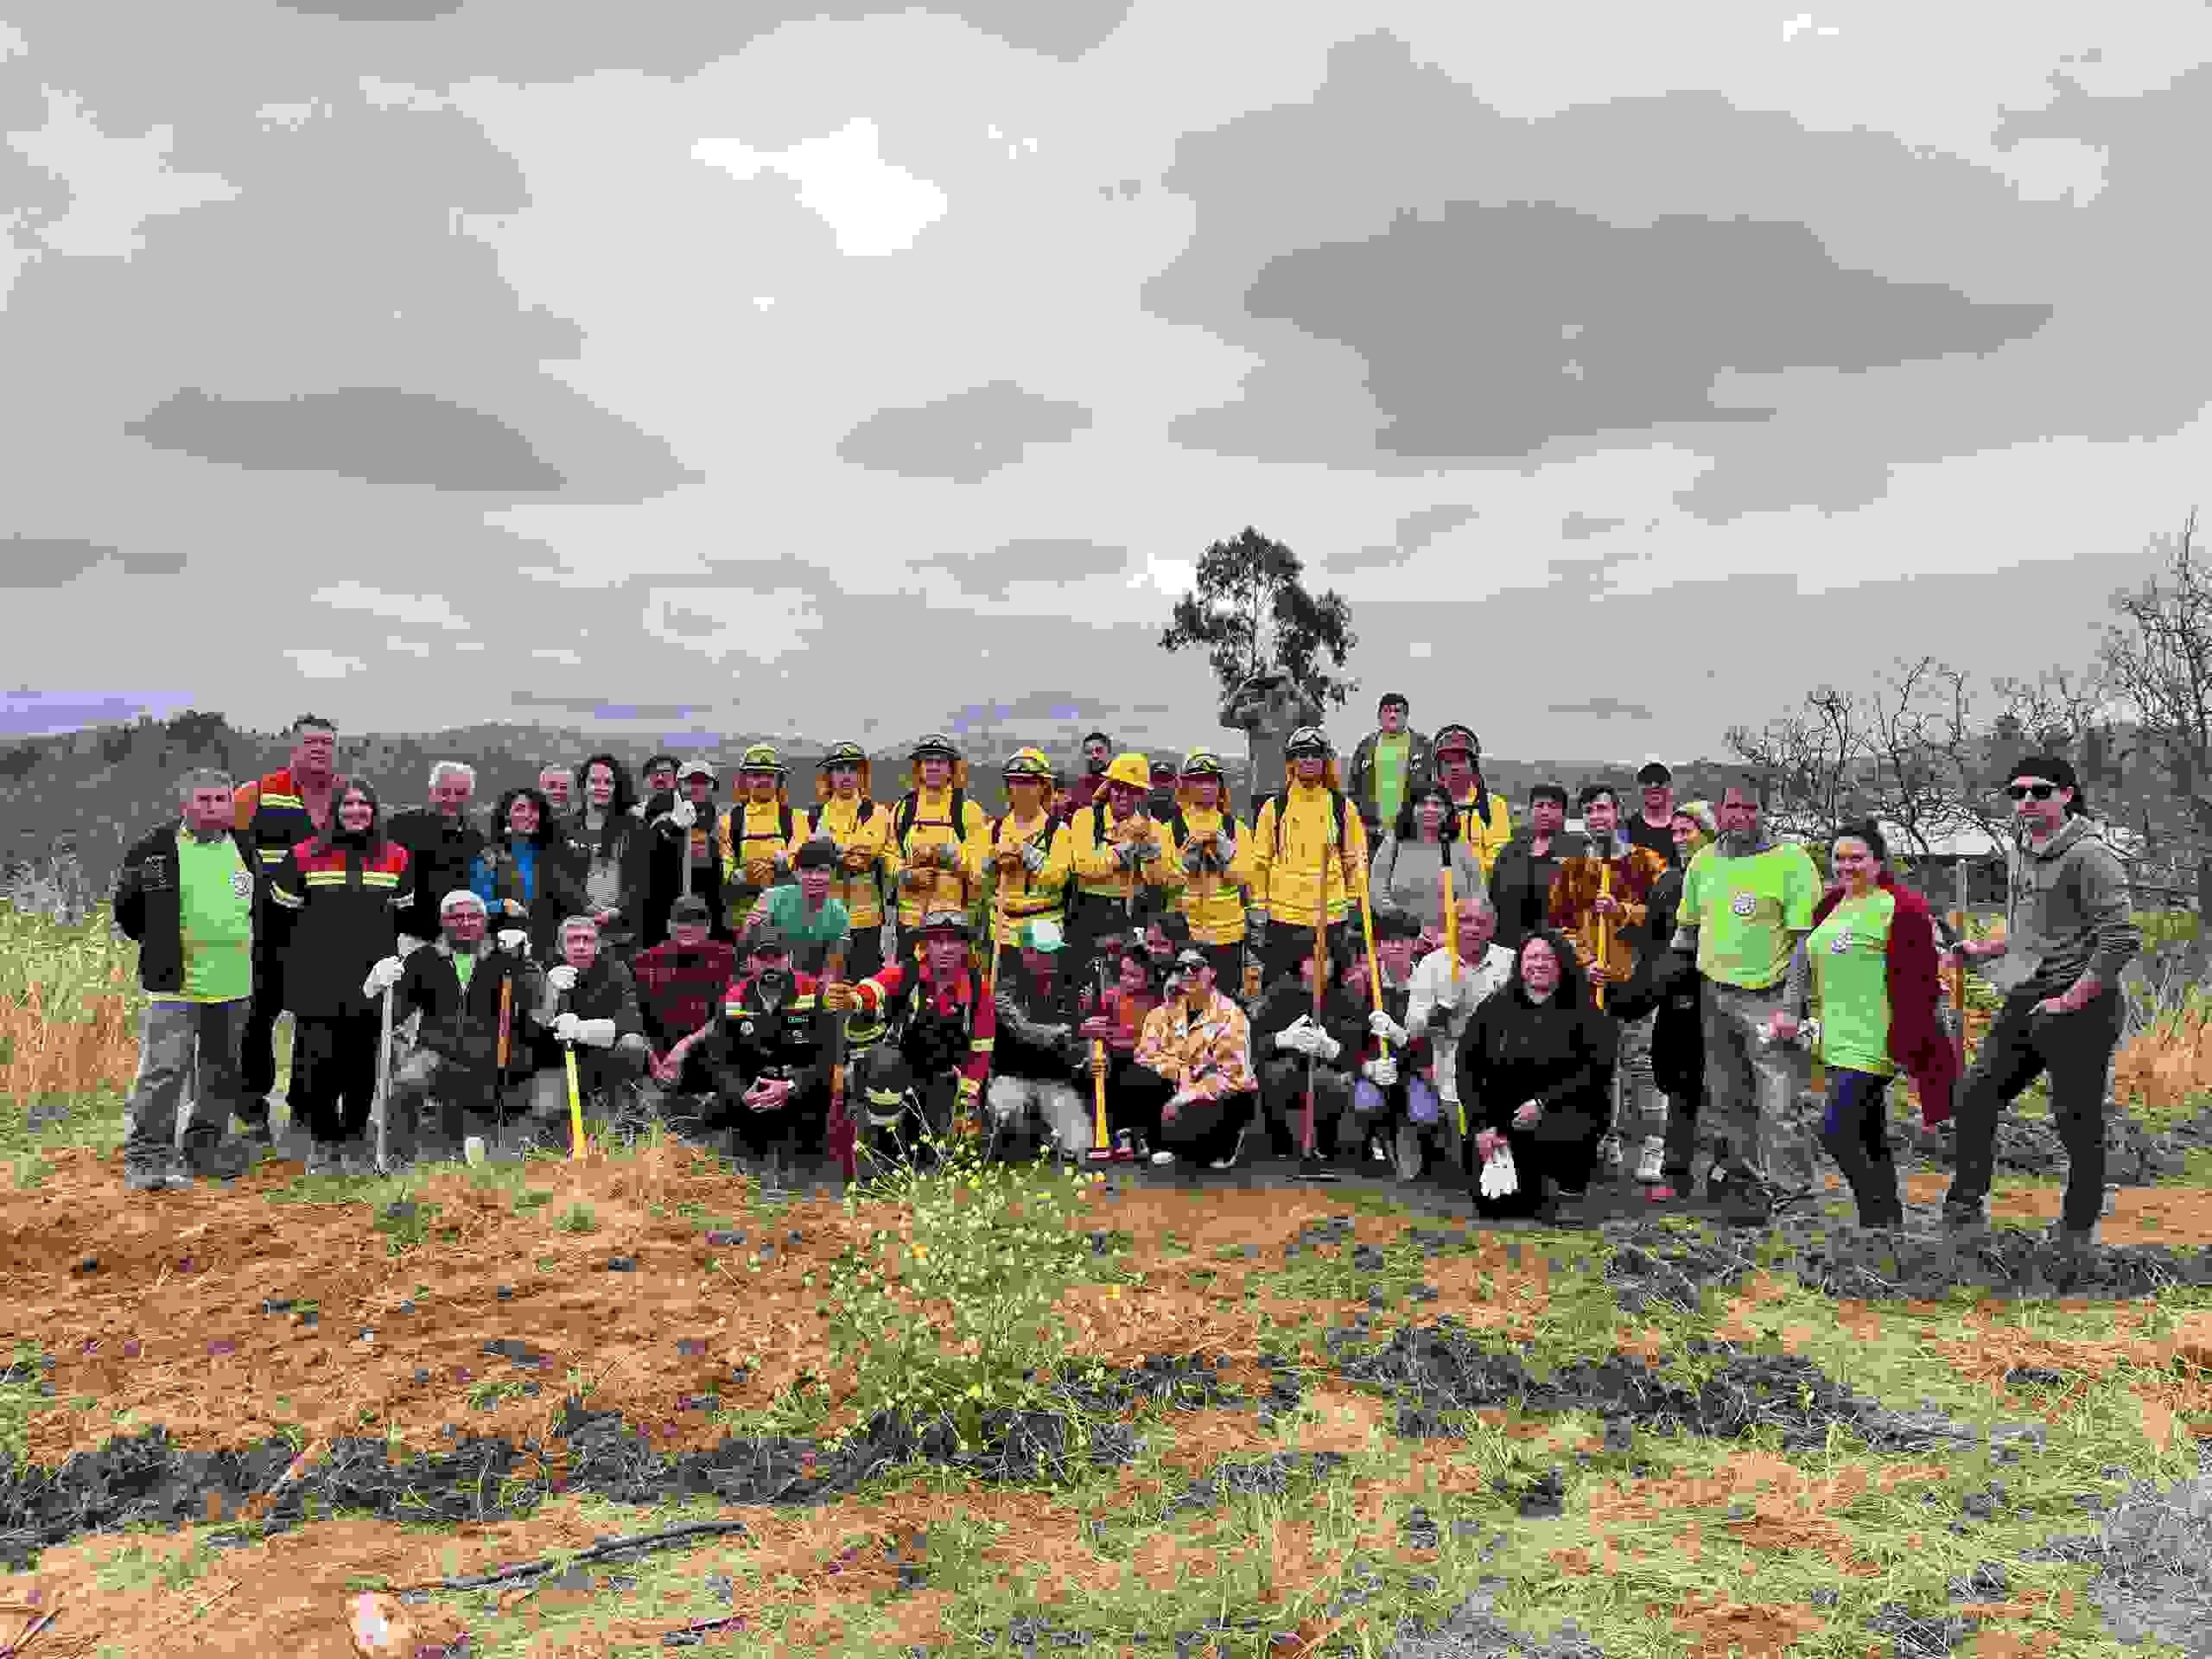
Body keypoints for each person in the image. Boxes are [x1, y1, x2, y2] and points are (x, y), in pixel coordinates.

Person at [1944, 755, 2141, 1249]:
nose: (2027, 800)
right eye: (2018, 792)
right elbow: (2030, 934)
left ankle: (2076, 1233)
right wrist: (1984, 949)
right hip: (2028, 994)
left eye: (2040, 791)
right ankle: (1964, 1212)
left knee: (2076, 1119)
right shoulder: (2021, 848)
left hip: (2083, 1004)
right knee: (1974, 1095)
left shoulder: (2091, 856)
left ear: (2067, 795)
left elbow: (2120, 939)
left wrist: (2072, 999)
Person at [1771, 820, 1957, 1230]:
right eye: (1839, 858)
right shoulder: (1831, 904)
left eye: (1857, 858)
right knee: (1870, 1136)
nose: (1846, 866)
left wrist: (1915, 1043)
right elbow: (1806, 958)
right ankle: (1886, 1228)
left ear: (1878, 861)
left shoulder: (1901, 907)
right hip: (1836, 1036)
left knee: (1836, 1131)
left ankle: (1877, 1218)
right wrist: (1794, 1010)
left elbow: (1921, 981)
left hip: (1878, 1038)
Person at [1667, 778, 1825, 1223]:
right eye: (1732, 808)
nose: (1740, 816)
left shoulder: (1791, 861)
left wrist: (1792, 1005)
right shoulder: (1703, 862)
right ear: (1719, 812)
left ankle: (1794, 1193)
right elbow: (1686, 931)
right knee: (1728, 1098)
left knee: (1778, 1102)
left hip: (1769, 998)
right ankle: (1749, 1186)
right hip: (1714, 995)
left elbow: (1804, 942)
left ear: (1765, 813)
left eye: (1750, 808)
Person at [113, 768, 264, 1191]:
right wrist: (160, 943)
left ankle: (204, 1150)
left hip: (233, 983)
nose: (213, 807)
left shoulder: (244, 847)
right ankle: (147, 1158)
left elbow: (256, 909)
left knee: (221, 1072)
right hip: (174, 984)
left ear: (231, 803)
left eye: (221, 799)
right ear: (185, 803)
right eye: (204, 799)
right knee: (163, 1072)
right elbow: (128, 910)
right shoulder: (154, 849)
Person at [267, 779, 410, 1176]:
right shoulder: (304, 854)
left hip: (372, 978)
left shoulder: (396, 857)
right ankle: (323, 1141)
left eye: (364, 803)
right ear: (334, 810)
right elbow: (280, 922)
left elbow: (404, 918)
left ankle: (354, 1140)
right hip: (318, 978)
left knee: (361, 1066)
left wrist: (393, 965)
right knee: (317, 1065)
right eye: (348, 803)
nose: (356, 810)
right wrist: (291, 973)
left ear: (374, 811)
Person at [1548, 784, 1671, 1182]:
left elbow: (1665, 915)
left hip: (1636, 980)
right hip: (1593, 982)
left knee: (1642, 1063)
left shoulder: (1646, 862)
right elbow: (1562, 926)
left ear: (1617, 812)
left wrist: (1623, 910)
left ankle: (1654, 1145)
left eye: (1602, 808)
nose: (1596, 816)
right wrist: (1585, 963)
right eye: (1589, 811)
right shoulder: (1572, 869)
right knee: (1602, 1064)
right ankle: (1609, 1137)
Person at [232, 715, 346, 1147]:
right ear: (293, 748)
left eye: (326, 743)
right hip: (265, 926)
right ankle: (251, 1109)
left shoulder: (346, 795)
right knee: (258, 1017)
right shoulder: (256, 793)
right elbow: (229, 853)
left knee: (315, 1020)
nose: (319, 749)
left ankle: (303, 1107)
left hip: (323, 930)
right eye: (311, 742)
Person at [1459, 928, 1617, 1224]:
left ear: (1562, 964)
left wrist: (1543, 1103)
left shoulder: (1586, 1012)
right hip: (1504, 1118)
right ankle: (1534, 1186)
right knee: (1495, 1208)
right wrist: (1482, 1125)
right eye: (1532, 957)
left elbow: (1595, 1073)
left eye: (1548, 958)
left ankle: (1570, 1187)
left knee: (1576, 1122)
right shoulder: (1494, 1007)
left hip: (1562, 1113)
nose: (1539, 964)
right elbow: (1469, 1068)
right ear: (1520, 963)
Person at [374, 890, 538, 1166]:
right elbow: (394, 1012)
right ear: (443, 922)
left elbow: (536, 1003)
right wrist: (381, 987)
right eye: (456, 917)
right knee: (409, 1077)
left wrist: (524, 960)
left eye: (473, 916)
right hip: (436, 1055)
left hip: (491, 1059)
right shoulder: (424, 959)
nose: (465, 922)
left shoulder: (503, 958)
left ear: (485, 922)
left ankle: (482, 1140)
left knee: (476, 1148)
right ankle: (399, 1157)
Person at [823, 908, 997, 1169]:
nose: (946, 949)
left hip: (944, 1081)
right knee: (884, 1065)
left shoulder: (977, 988)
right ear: (925, 945)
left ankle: (921, 1146)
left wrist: (967, 1102)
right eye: (937, 941)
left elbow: (980, 1052)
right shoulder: (907, 973)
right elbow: (874, 988)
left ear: (965, 946)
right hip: (899, 1072)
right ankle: (882, 1149)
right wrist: (852, 999)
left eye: (954, 941)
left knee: (940, 1154)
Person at [690, 924, 827, 1180]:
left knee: (803, 1172)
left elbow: (828, 1057)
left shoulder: (813, 992)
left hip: (799, 1090)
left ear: (790, 959)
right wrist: (742, 1093)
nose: (771, 965)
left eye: (778, 957)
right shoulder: (733, 999)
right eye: (763, 958)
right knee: (714, 1098)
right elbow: (718, 1060)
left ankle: (802, 1159)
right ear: (750, 961)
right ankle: (731, 1149)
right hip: (752, 1091)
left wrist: (791, 1086)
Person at [1405, 892, 1517, 1182]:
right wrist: (1443, 1008)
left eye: (1479, 922)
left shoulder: (1511, 962)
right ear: (1452, 925)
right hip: (1451, 1060)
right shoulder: (1432, 965)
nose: (1471, 928)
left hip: (1505, 1058)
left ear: (1492, 927)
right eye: (1464, 920)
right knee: (1466, 1139)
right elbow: (1414, 1029)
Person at [1248, 728, 1370, 988]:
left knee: (1332, 995)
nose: (1308, 760)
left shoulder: (1343, 808)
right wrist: (1258, 907)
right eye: (1301, 754)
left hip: (1331, 920)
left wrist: (1354, 904)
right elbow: (1260, 863)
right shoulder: (1274, 808)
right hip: (1284, 920)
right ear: (1291, 761)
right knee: (1279, 995)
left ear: (1325, 760)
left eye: (1316, 754)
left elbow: (1355, 861)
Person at [521, 915, 652, 1151]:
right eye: (573, 940)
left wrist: (581, 1029)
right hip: (557, 1062)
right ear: (560, 948)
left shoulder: (616, 970)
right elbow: (528, 1033)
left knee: (632, 1044)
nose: (581, 946)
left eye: (588, 940)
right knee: (551, 1128)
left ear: (598, 946)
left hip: (604, 1060)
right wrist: (549, 993)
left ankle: (625, 1112)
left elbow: (631, 1021)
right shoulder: (541, 971)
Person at [1124, 946, 1261, 1170]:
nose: (1187, 972)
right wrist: (1180, 1072)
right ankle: (1164, 1142)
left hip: (1223, 1095)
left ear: (1212, 972)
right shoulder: (1162, 1013)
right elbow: (1144, 1056)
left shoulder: (1231, 1016)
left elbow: (1233, 1078)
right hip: (1179, 1086)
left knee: (1201, 1151)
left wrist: (1184, 1097)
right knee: (1133, 1077)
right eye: (1181, 968)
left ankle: (1227, 1139)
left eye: (1195, 966)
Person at [1249, 938, 1367, 1162]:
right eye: (1313, 958)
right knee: (1274, 1073)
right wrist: (1281, 1039)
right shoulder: (1279, 994)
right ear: (1301, 963)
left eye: (1326, 957)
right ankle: (1279, 1139)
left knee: (1332, 1082)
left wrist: (1332, 1048)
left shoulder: (1344, 998)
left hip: (1328, 1070)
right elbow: (1255, 1042)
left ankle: (1326, 1142)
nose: (1320, 963)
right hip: (1286, 1068)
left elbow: (1355, 1049)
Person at [986, 918, 1092, 1161]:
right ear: (1025, 953)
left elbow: (1081, 1038)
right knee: (1007, 1111)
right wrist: (1063, 1032)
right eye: (1043, 952)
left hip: (1055, 1082)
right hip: (1013, 1079)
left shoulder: (1071, 989)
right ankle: (1030, 1132)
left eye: (1055, 952)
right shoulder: (1002, 990)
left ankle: (1046, 1131)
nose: (1051, 958)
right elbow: (1022, 1029)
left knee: (1080, 1146)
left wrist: (1089, 1055)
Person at [1067, 752, 1173, 991]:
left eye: (1132, 790)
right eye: (1118, 787)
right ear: (1109, 787)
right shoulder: (1086, 819)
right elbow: (1084, 867)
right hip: (1088, 915)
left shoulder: (1155, 829)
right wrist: (1124, 850)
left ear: (1141, 794)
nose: (1123, 794)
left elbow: (1160, 880)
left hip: (1131, 915)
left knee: (1128, 987)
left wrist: (1150, 854)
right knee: (1087, 990)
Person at [633, 894, 741, 1130]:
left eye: (697, 922)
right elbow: (635, 1015)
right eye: (681, 921)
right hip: (659, 1054)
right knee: (630, 1045)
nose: (688, 928)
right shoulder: (645, 961)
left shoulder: (727, 957)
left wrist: (685, 1046)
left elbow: (727, 1014)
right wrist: (653, 1059)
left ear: (708, 927)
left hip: (705, 1047)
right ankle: (640, 1109)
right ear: (669, 926)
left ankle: (716, 1104)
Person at [887, 735, 988, 966]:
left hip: (951, 923)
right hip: (910, 921)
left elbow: (979, 868)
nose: (933, 767)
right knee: (908, 982)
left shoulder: (968, 811)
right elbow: (890, 854)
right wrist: (906, 875)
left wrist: (950, 858)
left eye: (940, 762)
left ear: (951, 769)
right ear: (919, 768)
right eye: (928, 761)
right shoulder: (903, 809)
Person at [1348, 909, 1435, 1173]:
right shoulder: (1363, 984)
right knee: (1366, 1102)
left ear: (1415, 944)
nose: (1396, 946)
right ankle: (1376, 1138)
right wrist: (1367, 1067)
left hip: (1416, 1069)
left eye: (1403, 939)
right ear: (1377, 947)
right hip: (1377, 1069)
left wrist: (1401, 1037)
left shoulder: (1430, 982)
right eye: (1389, 940)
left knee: (1425, 1114)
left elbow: (1431, 1042)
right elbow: (1350, 1039)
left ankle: (1426, 1149)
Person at [1160, 749, 1255, 993]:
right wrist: (1186, 863)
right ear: (1186, 785)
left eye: (1212, 780)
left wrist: (1226, 857)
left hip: (1228, 935)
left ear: (1220, 786)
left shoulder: (1236, 829)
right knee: (1186, 1001)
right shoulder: (1171, 829)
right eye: (1199, 780)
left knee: (1226, 1001)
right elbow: (1165, 882)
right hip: (1186, 933)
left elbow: (1245, 877)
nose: (1206, 787)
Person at [806, 741, 896, 983]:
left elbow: (881, 851)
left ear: (862, 775)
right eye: (839, 769)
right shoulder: (814, 816)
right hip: (824, 917)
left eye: (852, 769)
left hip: (868, 921)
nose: (846, 776)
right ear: (829, 776)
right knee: (825, 984)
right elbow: (805, 858)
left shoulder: (879, 813)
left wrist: (834, 850)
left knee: (864, 986)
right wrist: (850, 852)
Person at [982, 748, 1074, 976]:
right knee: (1003, 995)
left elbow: (1058, 878)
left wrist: (1024, 851)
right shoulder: (993, 830)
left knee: (1041, 994)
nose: (1022, 788)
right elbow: (977, 879)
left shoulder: (1058, 831)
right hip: (1002, 932)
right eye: (1016, 782)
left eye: (1030, 782)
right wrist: (993, 860)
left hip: (1044, 931)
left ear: (1043, 786)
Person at [472, 785, 591, 961]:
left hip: (548, 950)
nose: (528, 815)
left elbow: (573, 901)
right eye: (520, 809)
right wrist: (503, 905)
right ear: (506, 815)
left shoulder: (554, 854)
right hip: (503, 949)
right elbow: (476, 908)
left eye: (534, 810)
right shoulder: (489, 856)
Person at [1080, 949, 1172, 1157]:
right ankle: (1112, 1136)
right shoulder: (1112, 996)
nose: (1125, 980)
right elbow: (1092, 1028)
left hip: (1144, 1060)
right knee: (1095, 1075)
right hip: (1115, 1059)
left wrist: (1113, 1035)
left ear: (1149, 978)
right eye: (1123, 973)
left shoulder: (1157, 1001)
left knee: (1142, 1081)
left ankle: (1144, 1139)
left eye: (1133, 975)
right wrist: (1088, 1011)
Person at [389, 762, 486, 956]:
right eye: (445, 792)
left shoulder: (475, 838)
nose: (452, 799)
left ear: (470, 796)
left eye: (460, 793)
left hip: (458, 940)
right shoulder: (399, 826)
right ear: (431, 792)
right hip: (409, 938)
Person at [1369, 779, 1486, 935]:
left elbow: (1479, 894)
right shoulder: (1394, 843)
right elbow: (1377, 891)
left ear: (1448, 810)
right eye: (1423, 803)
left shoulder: (1462, 847)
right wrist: (1405, 923)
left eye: (1437, 804)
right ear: (1411, 808)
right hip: (1402, 937)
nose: (1430, 809)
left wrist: (1460, 928)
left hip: (1452, 938)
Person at [563, 754, 650, 963]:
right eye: (594, 781)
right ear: (583, 785)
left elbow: (644, 877)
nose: (601, 787)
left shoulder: (636, 828)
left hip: (624, 933)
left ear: (616, 787)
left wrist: (619, 909)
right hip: (576, 932)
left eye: (608, 782)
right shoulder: (563, 827)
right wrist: (584, 905)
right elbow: (558, 876)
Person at [640, 759, 730, 949]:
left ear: (712, 787)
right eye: (690, 782)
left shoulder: (716, 817)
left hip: (703, 907)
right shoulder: (660, 806)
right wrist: (673, 825)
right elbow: (647, 845)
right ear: (679, 784)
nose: (696, 787)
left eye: (703, 782)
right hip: (663, 907)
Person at [1487, 784, 1584, 956]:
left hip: (1554, 947)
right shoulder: (1510, 850)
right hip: (1508, 943)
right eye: (1539, 806)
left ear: (1564, 813)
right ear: (1530, 810)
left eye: (1552, 806)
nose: (1545, 812)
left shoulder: (1576, 850)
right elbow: (1494, 896)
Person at [719, 745, 804, 934]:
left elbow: (803, 861)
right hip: (741, 923)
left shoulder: (796, 818)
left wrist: (784, 865)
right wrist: (738, 876)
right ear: (745, 780)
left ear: (779, 781)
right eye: (756, 775)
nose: (764, 780)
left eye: (770, 775)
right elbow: (724, 864)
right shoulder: (729, 821)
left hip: (787, 920)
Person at [1221, 673, 1324, 822]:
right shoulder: (1255, 712)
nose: (1275, 688)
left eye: (1279, 682)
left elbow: (1317, 719)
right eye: (1270, 684)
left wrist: (1295, 689)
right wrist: (1241, 689)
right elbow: (1225, 719)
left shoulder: (1295, 711)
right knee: (1262, 835)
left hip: (1291, 789)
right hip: (1261, 789)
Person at [744, 836, 853, 976]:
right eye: (807, 871)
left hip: (810, 982)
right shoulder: (771, 898)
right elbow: (743, 953)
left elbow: (834, 971)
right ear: (797, 873)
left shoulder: (838, 914)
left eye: (822, 871)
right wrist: (749, 929)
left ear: (833, 873)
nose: (814, 877)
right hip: (770, 978)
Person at [1345, 693, 1434, 857]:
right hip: (1372, 834)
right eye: (1387, 711)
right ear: (1379, 716)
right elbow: (1353, 789)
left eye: (1398, 711)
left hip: (1411, 834)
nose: (1392, 715)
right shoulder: (1365, 747)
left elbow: (1435, 789)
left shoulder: (1424, 746)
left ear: (1406, 716)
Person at [1431, 725, 1515, 880]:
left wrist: (1464, 879)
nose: (1454, 767)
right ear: (1439, 767)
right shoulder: (1426, 806)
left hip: (1479, 889)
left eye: (1461, 760)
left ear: (1473, 764)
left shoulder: (1493, 805)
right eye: (1448, 761)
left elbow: (1498, 858)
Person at [1056, 731, 1116, 823]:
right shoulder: (1077, 787)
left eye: (1099, 751)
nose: (1094, 755)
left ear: (1110, 753)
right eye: (1089, 752)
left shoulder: (1119, 785)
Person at [1624, 760, 1678, 862]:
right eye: (1647, 782)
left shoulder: (1683, 823)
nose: (1654, 786)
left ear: (1670, 787)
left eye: (1660, 782)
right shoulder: (1629, 827)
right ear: (1639, 789)